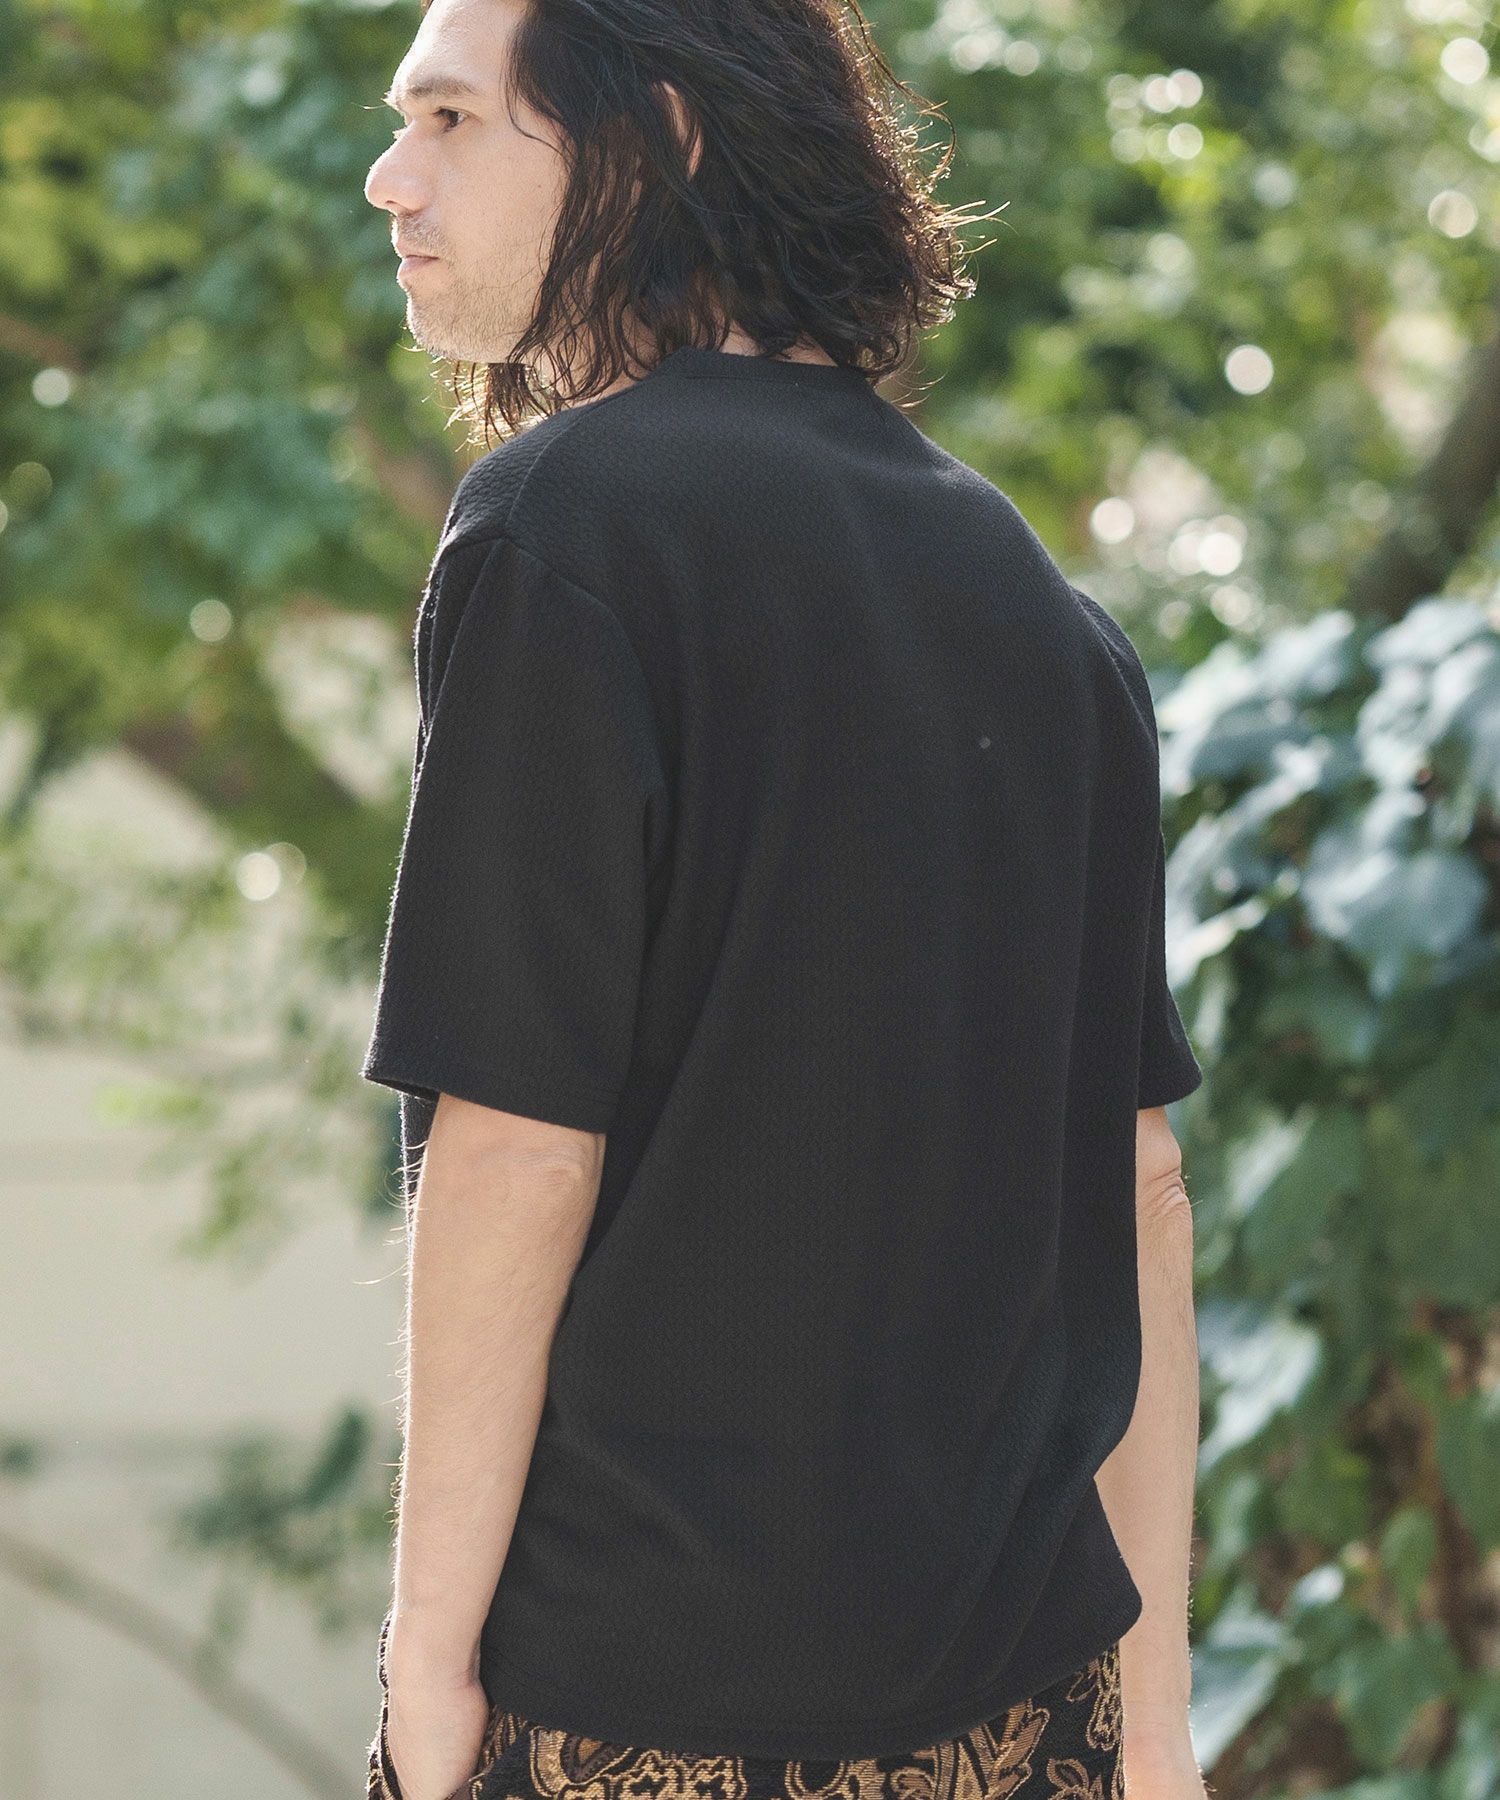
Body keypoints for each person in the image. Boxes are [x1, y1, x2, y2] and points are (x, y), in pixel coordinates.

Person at [360, 2, 1209, 1799]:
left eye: (450, 119)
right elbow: (1140, 1189)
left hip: (641, 1702)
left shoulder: (559, 532)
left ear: (656, 139)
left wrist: (427, 1662)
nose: (389, 179)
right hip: (1030, 1707)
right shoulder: (1047, 614)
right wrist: (1158, 1731)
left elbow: (518, 1149)